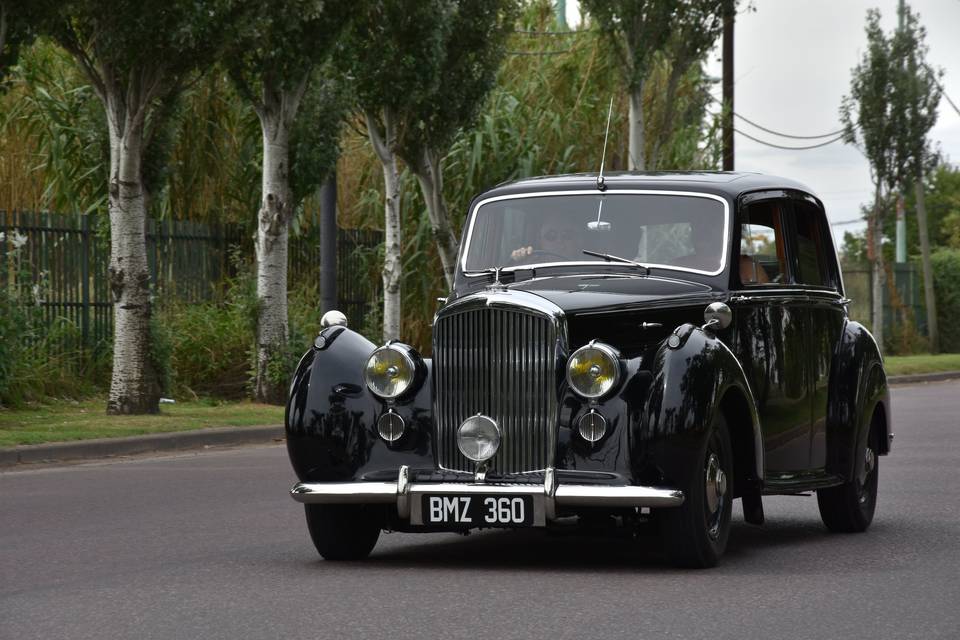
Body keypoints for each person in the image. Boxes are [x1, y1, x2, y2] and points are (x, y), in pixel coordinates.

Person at [510, 218, 579, 262]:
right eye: (551, 236)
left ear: (578, 240)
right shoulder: (531, 264)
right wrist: (519, 260)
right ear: (540, 241)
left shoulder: (588, 264)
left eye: (567, 235)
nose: (559, 241)